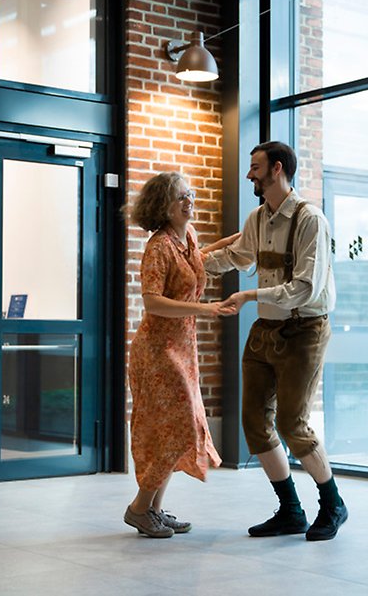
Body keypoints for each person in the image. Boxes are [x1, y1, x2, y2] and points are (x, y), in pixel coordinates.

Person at [204, 141, 347, 541]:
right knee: (254, 422)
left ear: (277, 169)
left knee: (291, 422)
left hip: (304, 331)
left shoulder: (310, 220)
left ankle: (333, 504)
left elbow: (304, 287)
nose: (249, 174)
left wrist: (249, 296)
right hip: (265, 331)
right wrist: (189, 259)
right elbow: (237, 257)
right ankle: (290, 510)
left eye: (255, 167)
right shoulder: (258, 217)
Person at [124, 172, 237, 538]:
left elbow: (196, 262)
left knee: (173, 429)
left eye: (190, 194)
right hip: (157, 351)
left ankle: (154, 510)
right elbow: (153, 302)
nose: (189, 202)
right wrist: (205, 309)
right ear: (163, 207)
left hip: (182, 348)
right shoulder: (158, 246)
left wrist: (240, 239)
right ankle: (139, 508)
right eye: (180, 198)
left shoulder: (186, 237)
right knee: (177, 427)